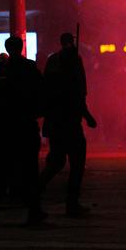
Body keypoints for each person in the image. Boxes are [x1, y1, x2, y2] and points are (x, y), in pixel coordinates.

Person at [0, 36, 46, 225]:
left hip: (6, 128)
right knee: (30, 172)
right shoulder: (29, 68)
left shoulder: (0, 70)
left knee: (2, 170)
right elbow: (41, 94)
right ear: (21, 47)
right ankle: (34, 211)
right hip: (25, 126)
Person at [40, 32, 97, 217]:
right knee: (76, 163)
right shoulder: (73, 63)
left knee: (57, 161)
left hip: (57, 122)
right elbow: (79, 94)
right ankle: (71, 203)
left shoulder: (52, 62)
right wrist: (87, 116)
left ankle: (35, 193)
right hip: (70, 123)